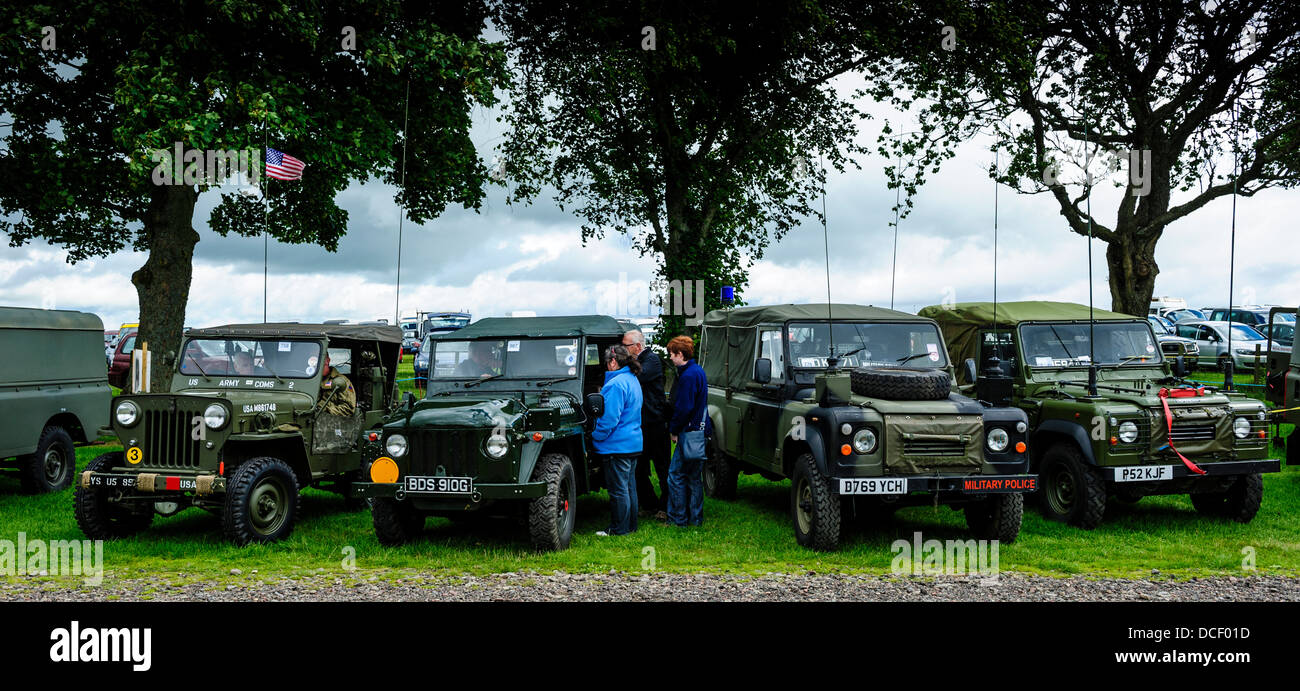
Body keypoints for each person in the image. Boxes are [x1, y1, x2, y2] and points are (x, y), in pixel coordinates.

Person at [591, 344, 643, 536]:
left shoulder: (615, 384)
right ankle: (630, 525)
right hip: (633, 442)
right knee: (630, 488)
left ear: (613, 362)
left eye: (606, 362)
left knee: (618, 491)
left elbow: (609, 419)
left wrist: (594, 436)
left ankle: (619, 529)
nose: (605, 366)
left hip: (616, 445)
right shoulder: (632, 379)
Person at [623, 329, 670, 518]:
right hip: (640, 424)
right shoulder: (635, 362)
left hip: (656, 422)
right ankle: (649, 503)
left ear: (638, 346)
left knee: (662, 466)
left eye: (626, 346)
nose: (624, 350)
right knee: (639, 467)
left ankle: (667, 506)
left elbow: (638, 376)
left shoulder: (652, 360)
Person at [665, 335, 709, 527]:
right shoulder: (697, 371)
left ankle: (678, 518)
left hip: (688, 432)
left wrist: (674, 429)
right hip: (700, 431)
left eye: (672, 354)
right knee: (694, 478)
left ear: (680, 354)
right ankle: (695, 518)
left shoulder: (688, 376)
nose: (671, 358)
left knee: (675, 476)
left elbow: (684, 408)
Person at [319, 352, 356, 417]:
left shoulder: (342, 380)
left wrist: (324, 410)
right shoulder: (310, 379)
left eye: (321, 359)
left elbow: (348, 409)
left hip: (331, 422)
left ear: (328, 360)